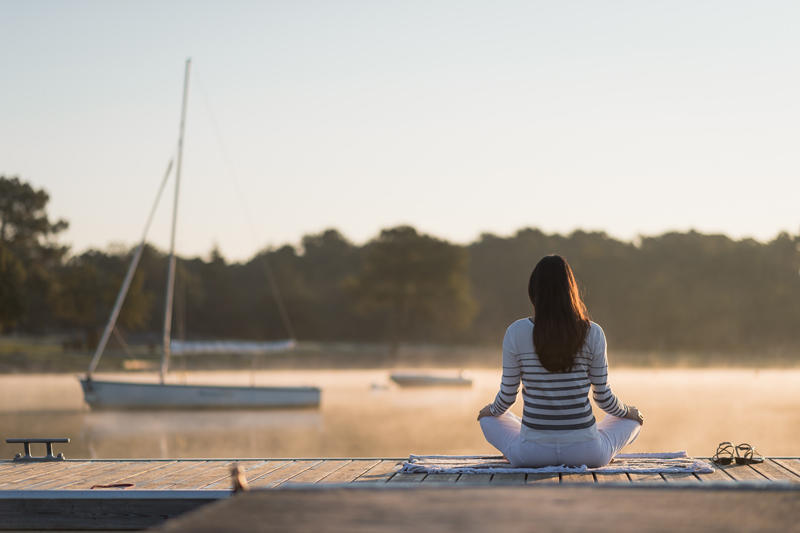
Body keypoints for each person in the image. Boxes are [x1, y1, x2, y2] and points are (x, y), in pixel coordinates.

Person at [477, 255, 643, 468]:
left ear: (533, 291)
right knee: (631, 420)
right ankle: (597, 442)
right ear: (571, 291)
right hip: (587, 454)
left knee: (488, 419)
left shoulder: (515, 332)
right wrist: (630, 412)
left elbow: (507, 397)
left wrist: (489, 411)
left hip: (530, 455)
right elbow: (603, 398)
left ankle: (523, 440)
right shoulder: (593, 332)